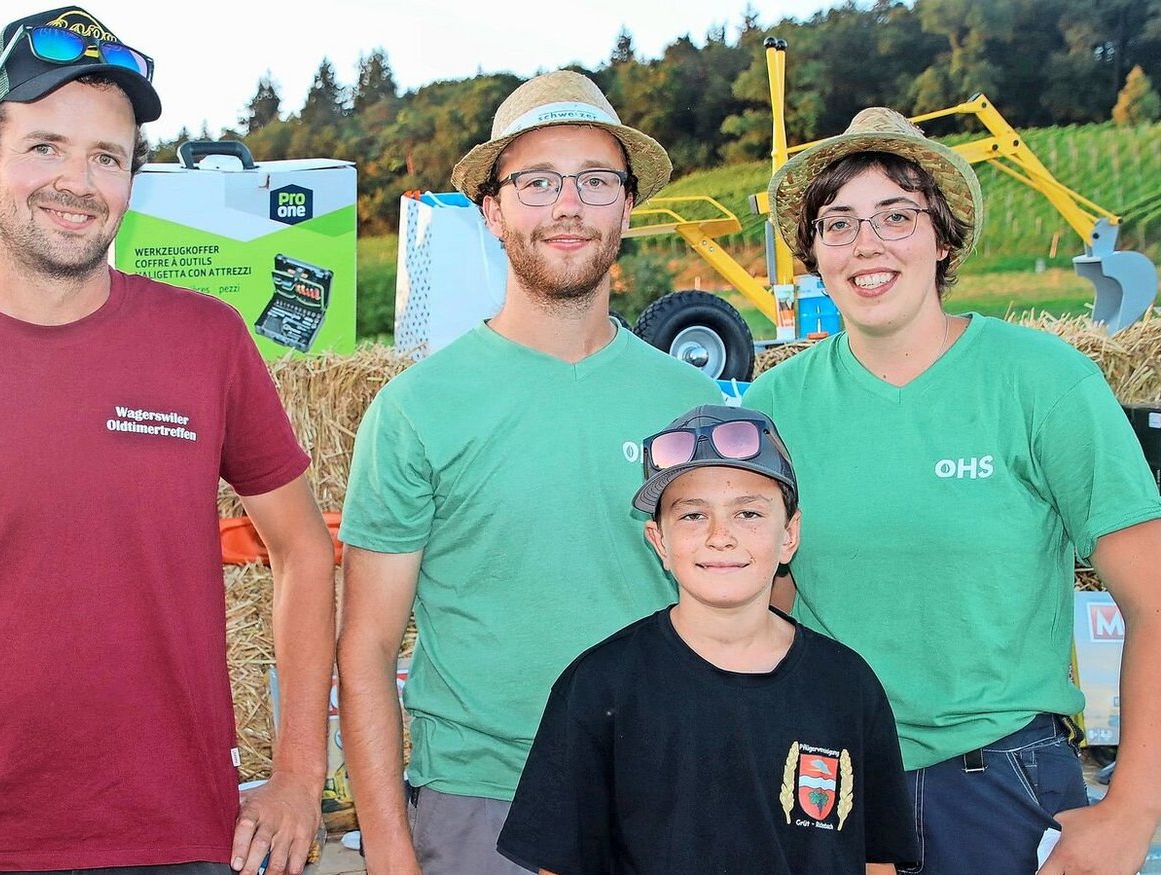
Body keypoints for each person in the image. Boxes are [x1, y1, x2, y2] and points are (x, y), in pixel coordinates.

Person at [0, 7, 335, 875]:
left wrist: (301, 774)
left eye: (107, 157)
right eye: (46, 147)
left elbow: (305, 551)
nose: (77, 182)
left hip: (182, 842)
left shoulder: (206, 342)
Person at [743, 107, 1161, 875]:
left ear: (943, 239)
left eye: (897, 216)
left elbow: (1154, 600)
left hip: (1005, 781)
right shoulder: (775, 409)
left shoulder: (1042, 383)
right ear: (815, 254)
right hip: (828, 781)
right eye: (839, 223)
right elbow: (760, 606)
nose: (867, 244)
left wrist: (1132, 810)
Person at [336, 71, 723, 874]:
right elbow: (368, 646)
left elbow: (758, 604)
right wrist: (389, 851)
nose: (568, 206)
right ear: (493, 211)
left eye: (595, 181)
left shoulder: (694, 404)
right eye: (537, 182)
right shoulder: (417, 410)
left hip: (670, 796)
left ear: (627, 207)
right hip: (484, 809)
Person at [497, 405, 917, 874]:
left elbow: (877, 858)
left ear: (790, 535)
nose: (721, 536)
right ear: (659, 541)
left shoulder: (846, 684)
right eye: (693, 515)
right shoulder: (598, 686)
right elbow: (561, 862)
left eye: (749, 513)